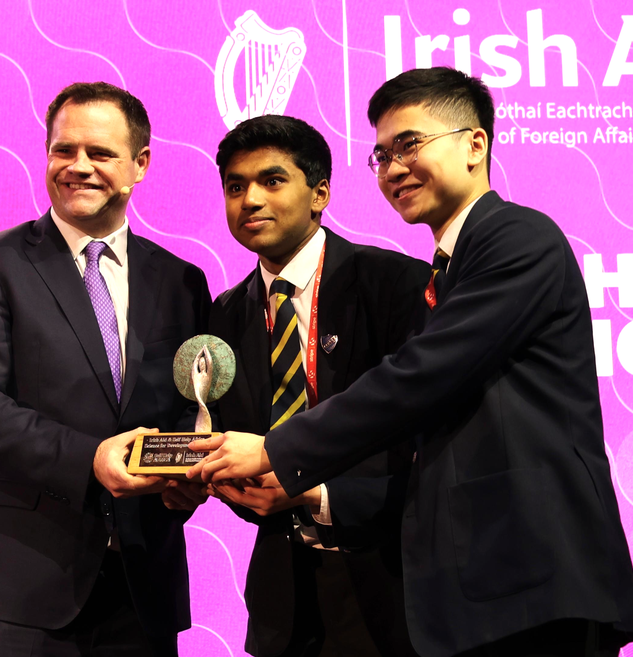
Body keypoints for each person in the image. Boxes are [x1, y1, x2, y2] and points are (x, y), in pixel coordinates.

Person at [190, 67, 633, 656]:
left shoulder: (516, 239)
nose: (394, 168)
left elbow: (420, 377)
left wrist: (277, 449)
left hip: (533, 572)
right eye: (381, 155)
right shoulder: (447, 269)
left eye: (410, 144)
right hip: (477, 586)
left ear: (474, 144)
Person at [0, 81, 211, 656]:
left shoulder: (182, 280)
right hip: (20, 581)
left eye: (100, 152)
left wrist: (191, 474)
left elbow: (195, 401)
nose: (78, 166)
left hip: (142, 583)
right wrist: (91, 459)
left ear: (140, 165)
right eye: (64, 150)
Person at [208, 115, 428, 657]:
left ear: (320, 193)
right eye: (235, 187)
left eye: (272, 180)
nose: (250, 200)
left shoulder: (397, 285)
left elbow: (431, 452)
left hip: (398, 589)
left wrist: (322, 494)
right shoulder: (225, 315)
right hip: (284, 605)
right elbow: (239, 447)